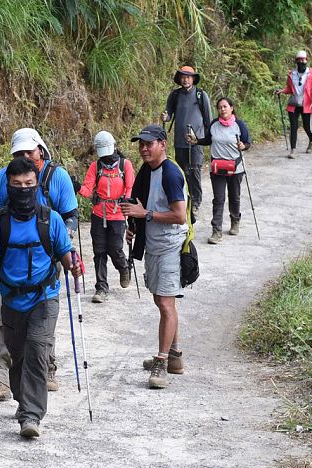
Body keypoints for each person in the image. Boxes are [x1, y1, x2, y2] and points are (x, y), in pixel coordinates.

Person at [0, 128, 79, 400]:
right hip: (7, 264)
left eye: (29, 151)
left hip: (47, 258)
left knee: (40, 321)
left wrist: (63, 251)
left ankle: (45, 366)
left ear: (40, 150)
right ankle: (0, 377)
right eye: (19, 153)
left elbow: (71, 217)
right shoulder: (5, 177)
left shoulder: (58, 178)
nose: (25, 156)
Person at [119, 124, 188, 389]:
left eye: (149, 144)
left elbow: (179, 215)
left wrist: (144, 215)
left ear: (163, 144)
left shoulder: (170, 173)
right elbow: (139, 204)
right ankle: (174, 356)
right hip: (154, 244)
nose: (144, 149)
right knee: (163, 301)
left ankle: (162, 363)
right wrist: (134, 226)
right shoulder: (147, 171)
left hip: (170, 245)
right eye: (141, 144)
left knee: (165, 303)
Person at [78, 131, 135, 303]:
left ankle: (124, 267)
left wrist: (127, 200)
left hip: (117, 214)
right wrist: (76, 187)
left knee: (115, 248)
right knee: (99, 251)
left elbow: (130, 187)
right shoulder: (96, 167)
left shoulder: (125, 165)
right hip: (98, 214)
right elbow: (88, 189)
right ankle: (101, 288)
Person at [187, 98, 251, 242]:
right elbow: (209, 140)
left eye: (225, 106)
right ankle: (216, 231)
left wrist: (243, 146)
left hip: (236, 168)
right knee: (219, 199)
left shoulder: (239, 125)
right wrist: (196, 141)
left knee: (234, 196)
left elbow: (247, 143)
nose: (222, 109)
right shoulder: (214, 124)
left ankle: (235, 221)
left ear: (232, 108)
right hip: (218, 168)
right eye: (220, 107)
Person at [161, 65, 211, 215]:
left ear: (193, 79)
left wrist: (208, 138)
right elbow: (168, 115)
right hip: (179, 141)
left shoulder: (201, 95)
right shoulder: (175, 95)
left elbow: (208, 120)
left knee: (194, 170)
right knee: (181, 172)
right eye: (183, 76)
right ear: (179, 79)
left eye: (188, 76)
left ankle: (195, 202)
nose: (185, 79)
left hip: (196, 142)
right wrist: (166, 117)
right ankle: (183, 200)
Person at [276, 50, 312, 159]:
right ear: (296, 61)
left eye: (303, 60)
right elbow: (290, 89)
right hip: (294, 104)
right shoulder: (292, 74)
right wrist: (282, 91)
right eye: (299, 60)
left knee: (307, 127)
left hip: (307, 104)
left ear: (306, 60)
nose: (302, 62)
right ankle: (293, 150)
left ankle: (311, 141)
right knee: (293, 127)